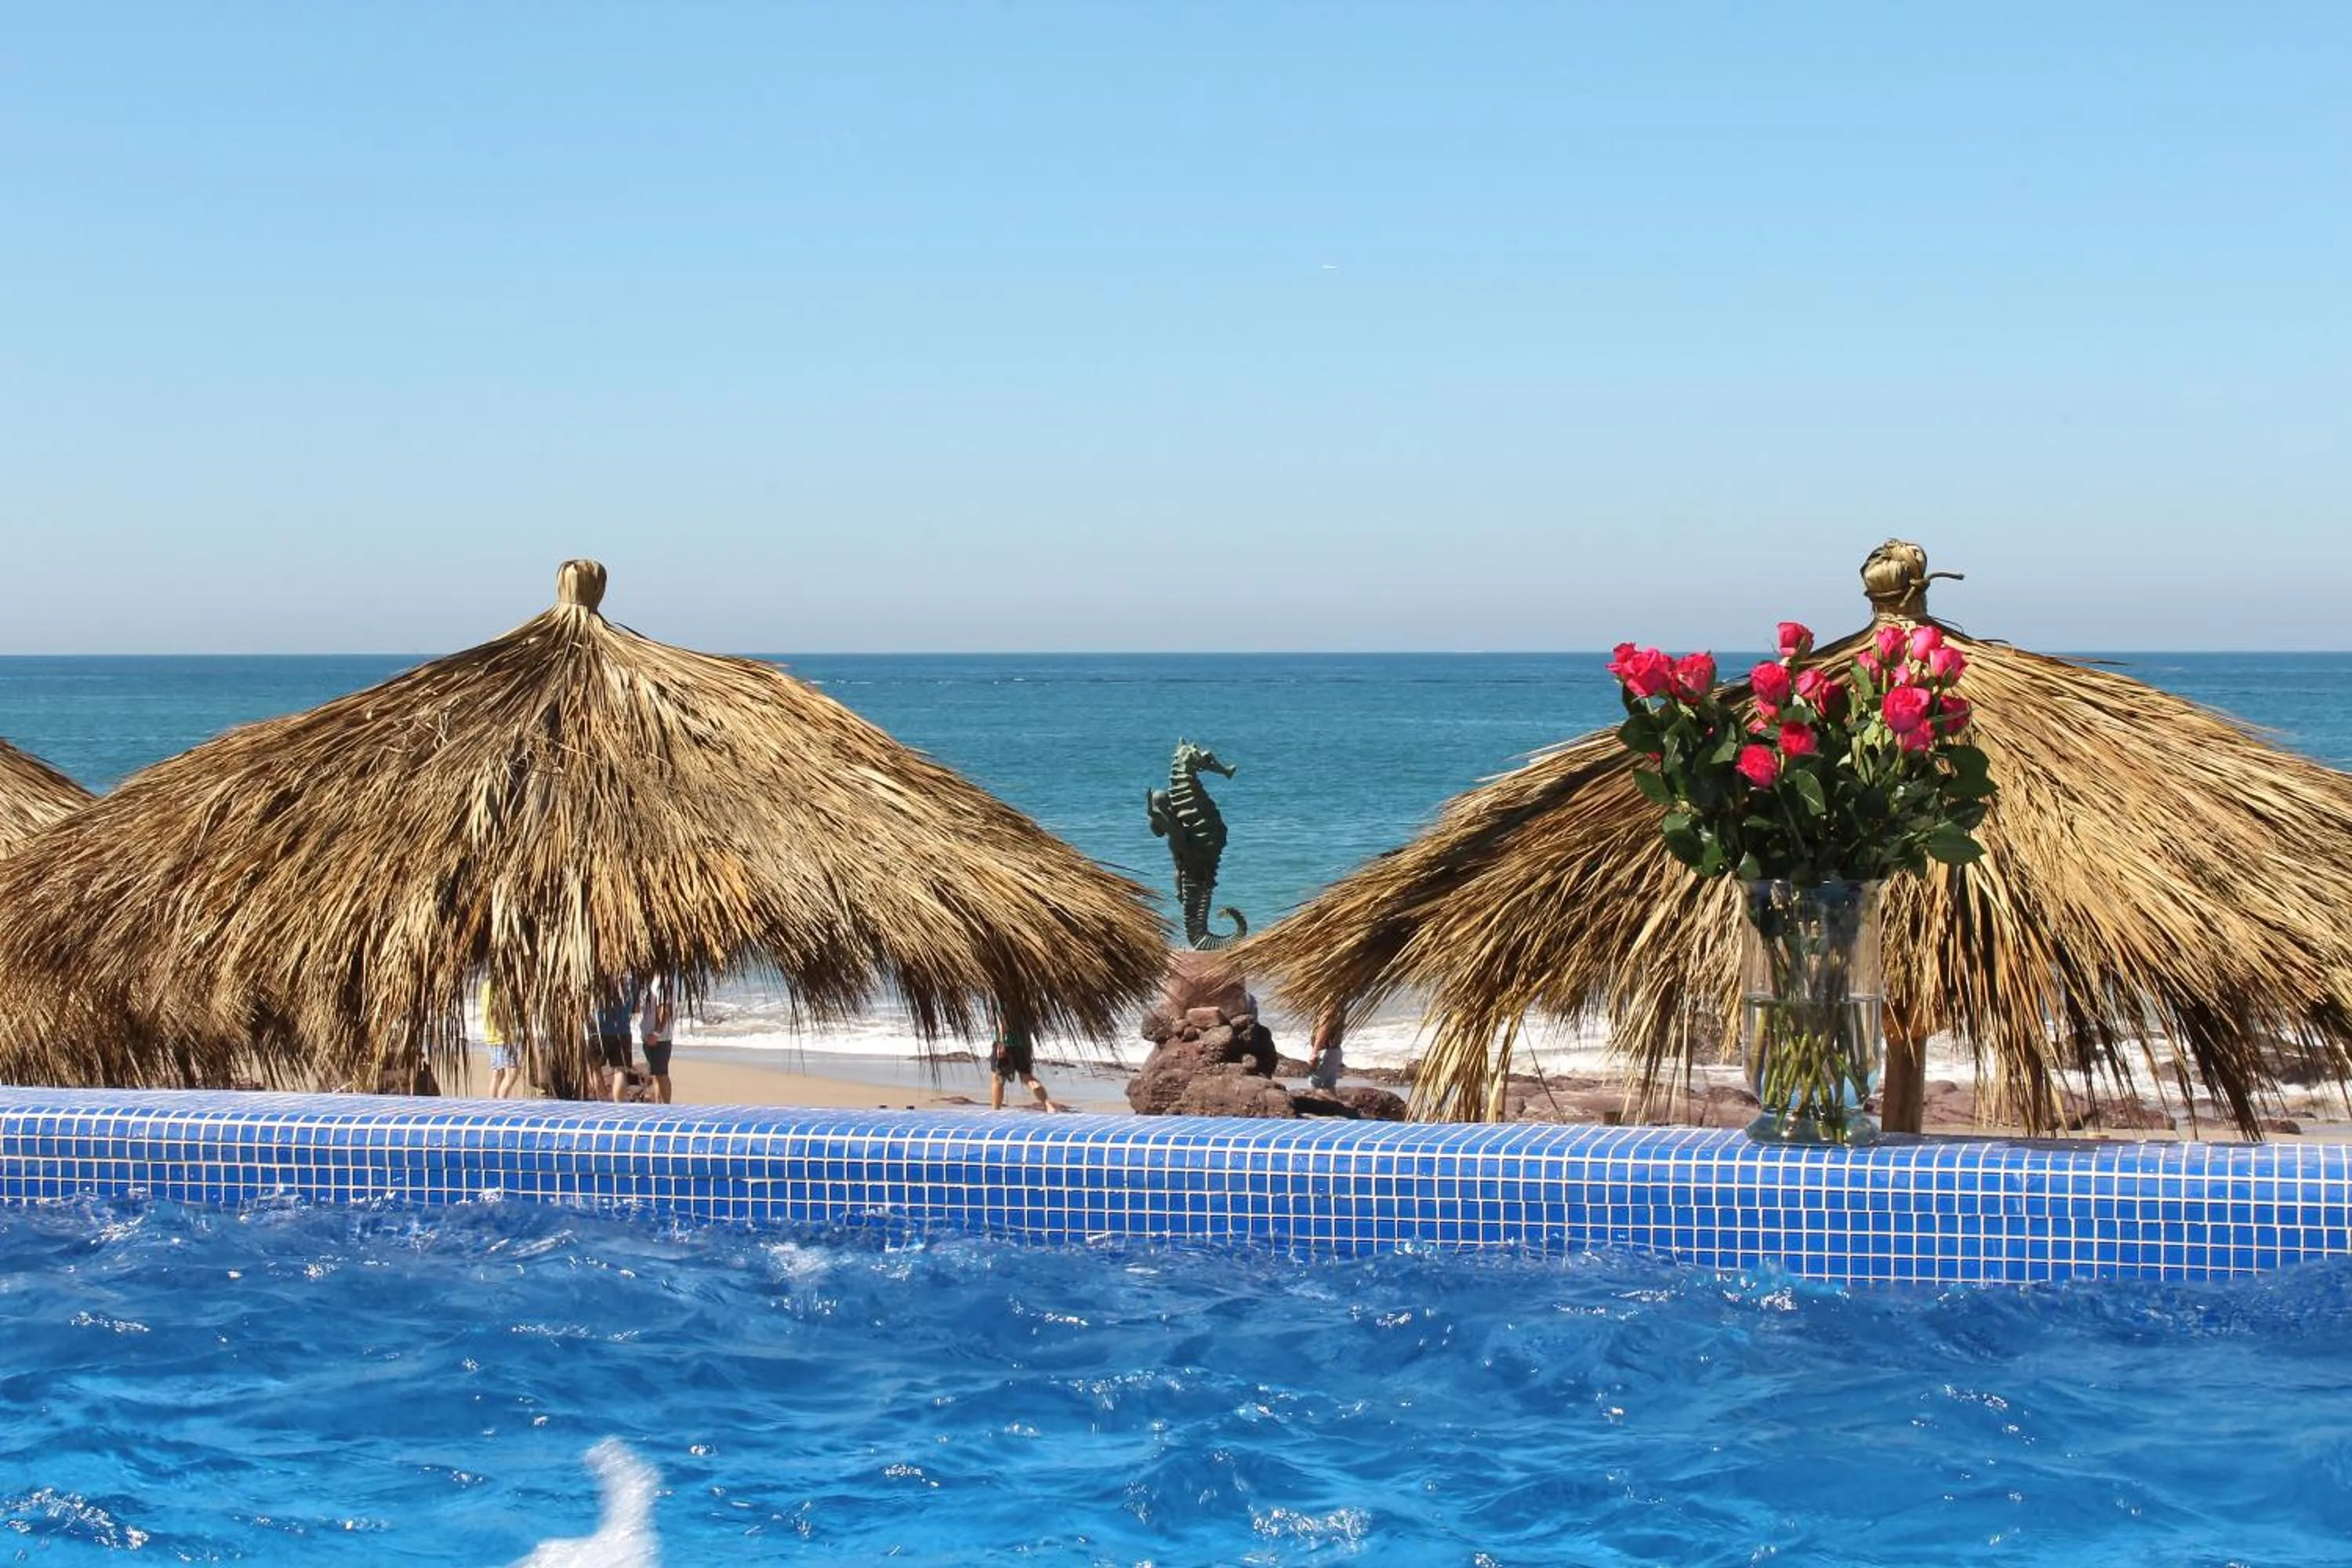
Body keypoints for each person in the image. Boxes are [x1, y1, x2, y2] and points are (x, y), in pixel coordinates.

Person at [989, 1004, 1058, 1112]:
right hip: (1024, 1043)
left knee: (998, 1079)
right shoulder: (1024, 997)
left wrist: (1002, 1042)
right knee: (1027, 1077)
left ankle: (995, 1111)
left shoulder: (1002, 995)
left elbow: (1003, 1019)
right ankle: (1048, 1105)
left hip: (1007, 1043)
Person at [591, 978, 640, 1102]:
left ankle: (602, 1101)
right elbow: (636, 1008)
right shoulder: (632, 979)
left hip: (600, 1029)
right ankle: (619, 1104)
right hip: (623, 1030)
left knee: (594, 1068)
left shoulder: (599, 976)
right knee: (620, 1070)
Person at [637, 973, 676, 1105]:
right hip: (649, 1036)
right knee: (655, 1073)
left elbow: (664, 1008)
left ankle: (666, 1105)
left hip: (660, 1038)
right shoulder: (649, 981)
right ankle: (659, 1105)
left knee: (661, 1073)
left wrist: (657, 1033)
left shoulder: (662, 980)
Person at [481, 975, 521, 1099]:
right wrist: (506, 1027)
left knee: (497, 1073)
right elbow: (495, 1009)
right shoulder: (498, 986)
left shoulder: (486, 985)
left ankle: (493, 1104)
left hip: (491, 1033)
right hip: (501, 1036)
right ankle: (501, 1102)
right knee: (512, 1072)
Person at [1308, 1004, 1346, 1091]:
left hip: (1327, 1052)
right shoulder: (1339, 1006)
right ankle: (1335, 1104)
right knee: (1329, 1086)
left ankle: (1320, 1103)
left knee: (1313, 1083)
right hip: (1335, 1051)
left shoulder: (1328, 1006)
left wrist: (1314, 1053)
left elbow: (1323, 1031)